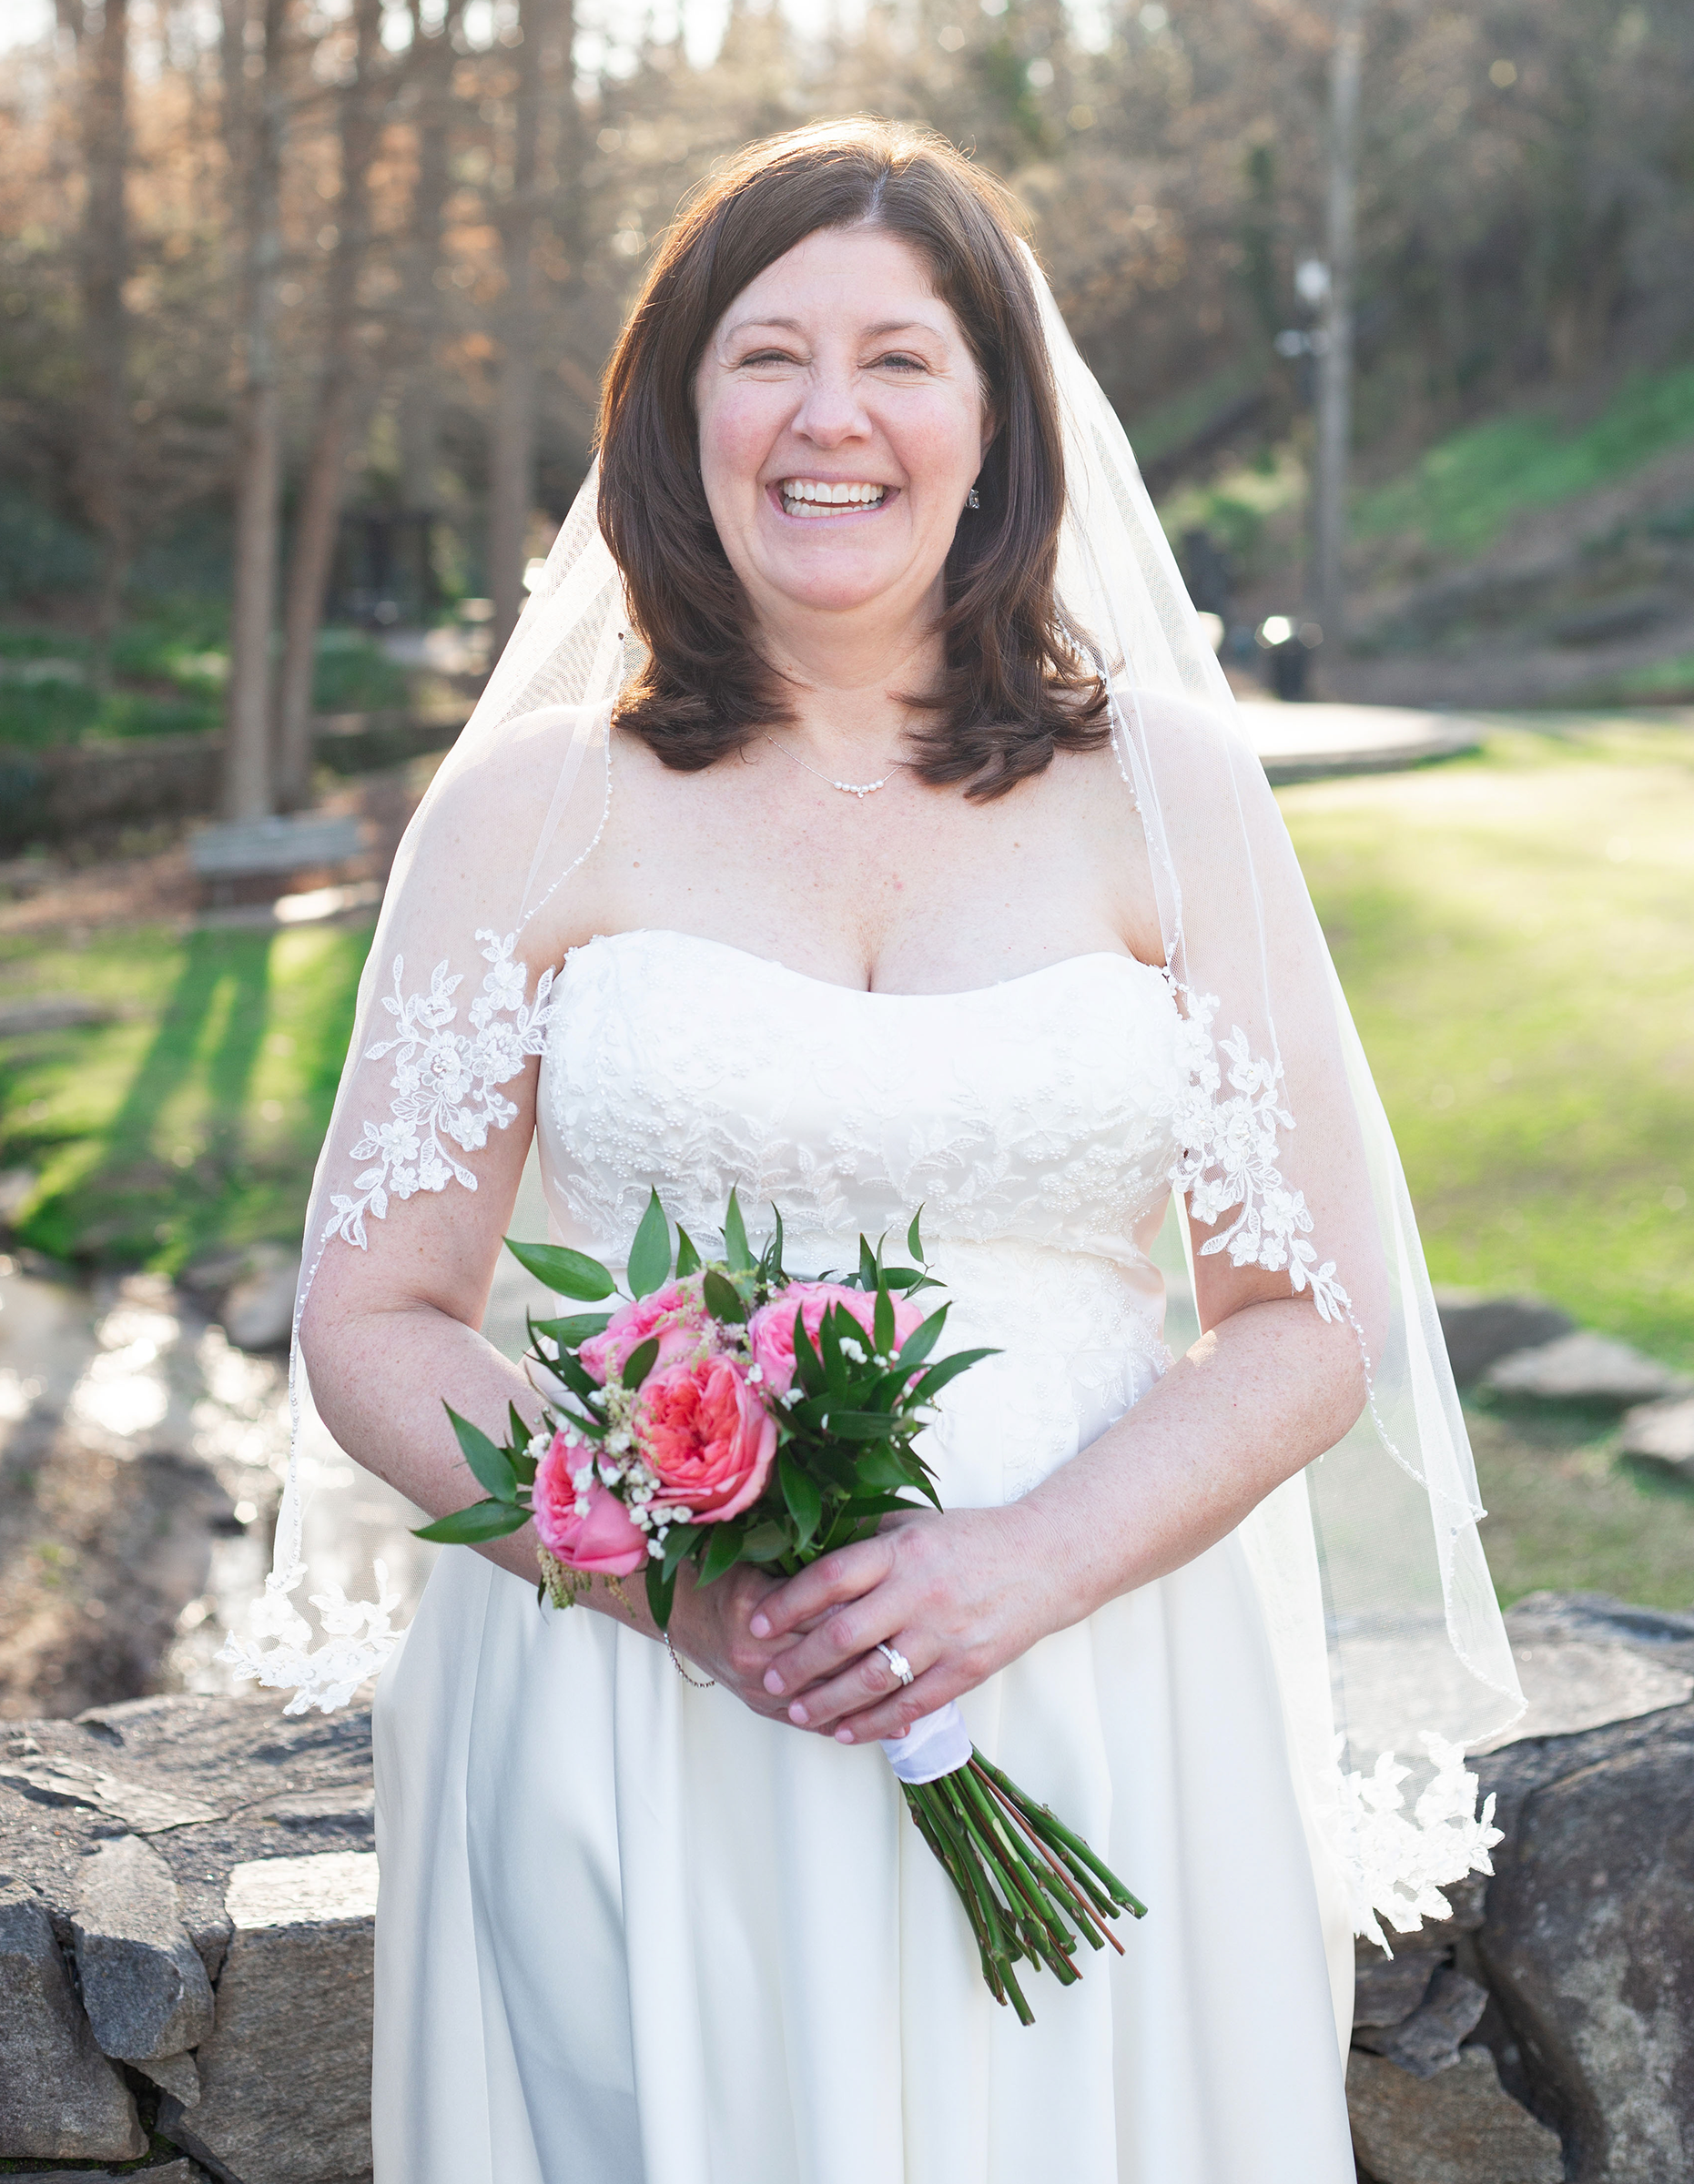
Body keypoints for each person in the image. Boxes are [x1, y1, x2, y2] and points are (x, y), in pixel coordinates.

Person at [274, 121, 1517, 2184]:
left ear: (994, 422)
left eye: (899, 358)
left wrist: (1018, 1570)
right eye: (765, 355)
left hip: (1104, 1688)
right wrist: (688, 1598)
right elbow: (374, 1315)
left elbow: (1305, 1322)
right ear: (674, 427)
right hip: (638, 1722)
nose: (827, 415)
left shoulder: (1171, 796)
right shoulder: (529, 811)